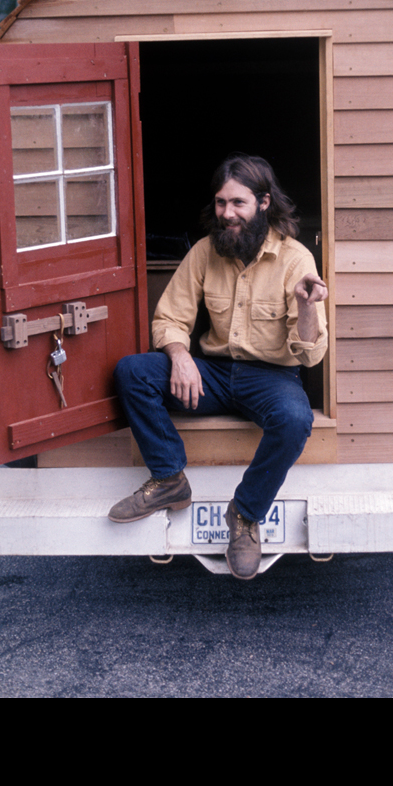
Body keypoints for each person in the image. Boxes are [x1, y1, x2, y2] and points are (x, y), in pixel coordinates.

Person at [107, 154, 328, 579]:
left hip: (271, 377)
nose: (227, 214)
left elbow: (310, 355)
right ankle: (169, 479)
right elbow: (169, 318)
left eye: (238, 204)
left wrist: (304, 305)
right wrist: (181, 355)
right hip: (214, 373)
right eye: (221, 203)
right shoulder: (206, 252)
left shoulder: (296, 260)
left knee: (295, 418)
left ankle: (245, 515)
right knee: (133, 371)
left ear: (264, 203)